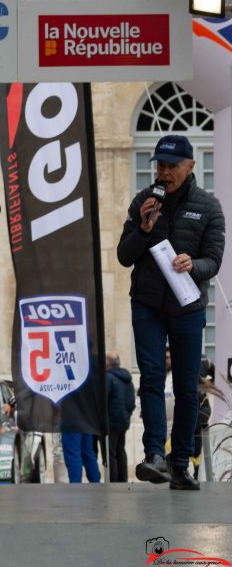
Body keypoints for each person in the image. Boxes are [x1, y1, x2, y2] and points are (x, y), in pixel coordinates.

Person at [117, 134, 224, 491]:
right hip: (147, 304)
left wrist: (193, 264)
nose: (163, 173)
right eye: (159, 165)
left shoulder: (208, 207)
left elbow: (214, 261)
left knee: (186, 388)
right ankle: (154, 456)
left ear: (190, 166)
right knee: (149, 377)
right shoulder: (143, 202)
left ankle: (180, 463)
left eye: (171, 166)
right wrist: (144, 230)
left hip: (188, 306)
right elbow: (124, 256)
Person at [105, 352, 135, 482]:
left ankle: (113, 479)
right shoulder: (127, 379)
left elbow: (104, 400)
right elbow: (131, 401)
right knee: (120, 450)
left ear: (108, 363)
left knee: (111, 452)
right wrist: (127, 415)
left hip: (111, 421)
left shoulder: (108, 377)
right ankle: (123, 479)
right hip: (123, 420)